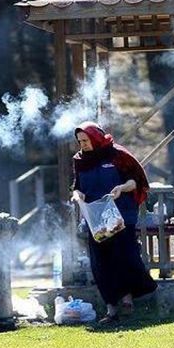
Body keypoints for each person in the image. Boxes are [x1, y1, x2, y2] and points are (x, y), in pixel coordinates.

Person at [70, 122, 157, 324]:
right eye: (80, 141)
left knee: (125, 257)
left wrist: (121, 188)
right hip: (96, 217)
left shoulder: (117, 155)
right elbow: (77, 186)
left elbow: (135, 181)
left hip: (121, 214)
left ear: (95, 138)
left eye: (86, 140)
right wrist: (77, 195)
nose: (83, 145)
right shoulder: (80, 160)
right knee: (100, 263)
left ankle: (128, 299)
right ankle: (111, 308)